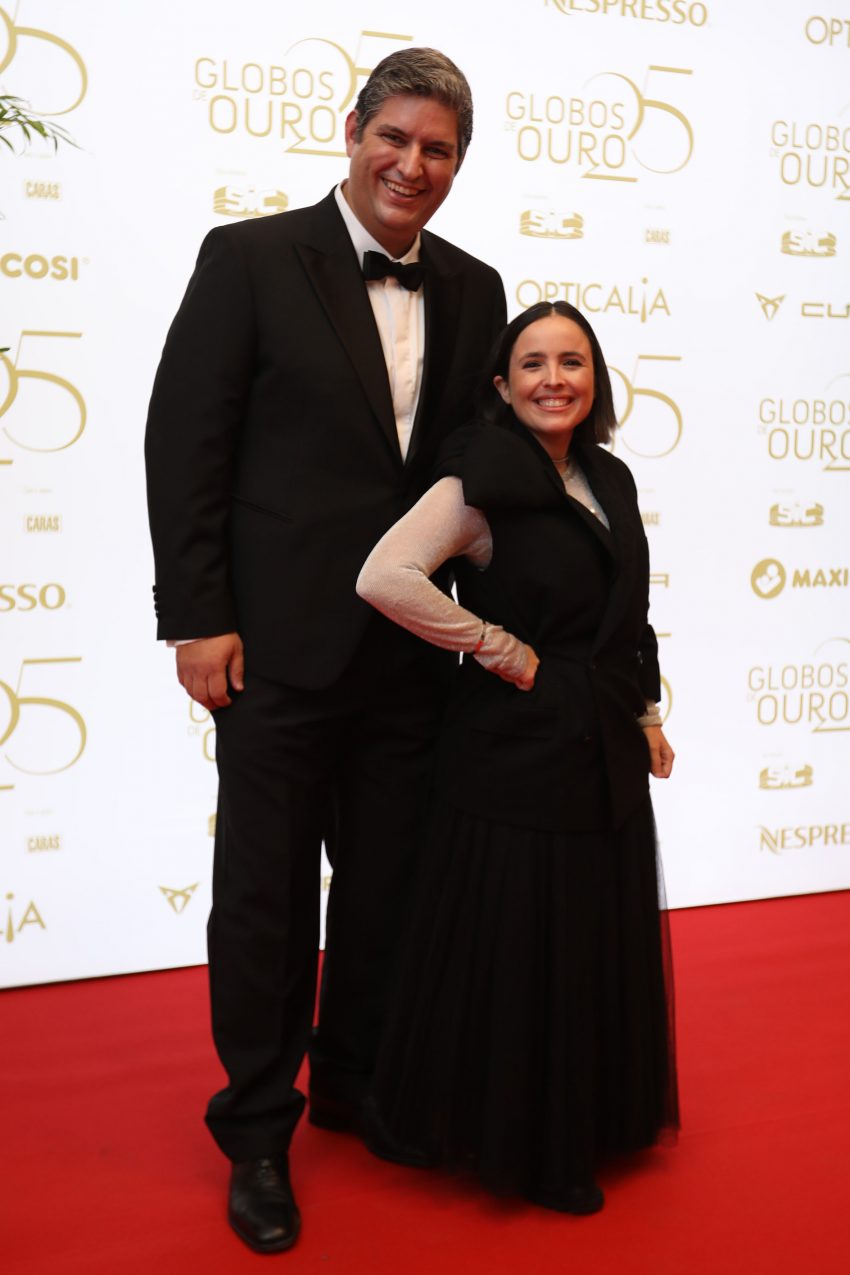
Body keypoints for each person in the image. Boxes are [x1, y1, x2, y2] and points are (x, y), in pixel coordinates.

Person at [144, 48, 506, 1254]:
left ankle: (355, 1083)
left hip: (409, 656)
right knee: (265, 899)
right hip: (274, 650)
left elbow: (474, 473)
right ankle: (256, 1134)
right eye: (394, 137)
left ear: (457, 163)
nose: (412, 164)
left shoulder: (476, 288)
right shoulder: (250, 258)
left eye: (437, 149)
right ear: (351, 131)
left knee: (391, 885)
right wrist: (197, 617)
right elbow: (185, 443)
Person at [356, 301, 679, 1214]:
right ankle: (533, 1150)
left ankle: (584, 1120)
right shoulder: (480, 475)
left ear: (595, 380)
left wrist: (647, 712)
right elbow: (384, 575)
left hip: (602, 743)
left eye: (572, 361)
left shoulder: (609, 476)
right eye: (532, 363)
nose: (553, 379)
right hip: (515, 756)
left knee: (585, 939)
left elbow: (627, 612)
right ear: (502, 385)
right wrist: (497, 647)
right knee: (530, 951)